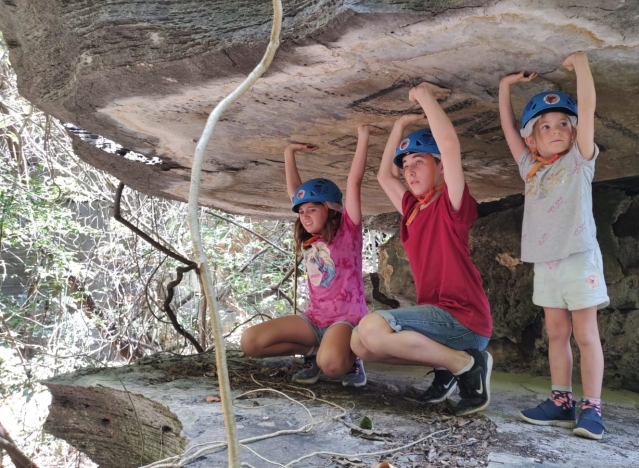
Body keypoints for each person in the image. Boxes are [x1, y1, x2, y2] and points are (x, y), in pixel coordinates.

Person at [351, 82, 493, 416]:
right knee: (360, 344)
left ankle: (466, 364)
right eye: (406, 165)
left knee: (372, 327)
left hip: (464, 318)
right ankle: (448, 366)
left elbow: (450, 146)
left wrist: (425, 97)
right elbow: (384, 176)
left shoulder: (451, 204)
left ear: (440, 166)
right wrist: (399, 125)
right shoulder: (413, 210)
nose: (409, 171)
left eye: (419, 161)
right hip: (437, 317)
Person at [498, 52, 609, 440]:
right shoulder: (528, 167)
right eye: (545, 126)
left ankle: (592, 408)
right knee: (556, 333)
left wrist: (581, 66)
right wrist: (504, 87)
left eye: (564, 123)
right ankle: (561, 401)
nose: (556, 129)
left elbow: (588, 110)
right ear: (532, 139)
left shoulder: (580, 160)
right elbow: (508, 129)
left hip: (578, 257)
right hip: (545, 263)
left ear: (575, 132)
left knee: (585, 334)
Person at [240, 126, 371, 388]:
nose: (305, 216)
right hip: (314, 319)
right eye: (301, 212)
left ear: (330, 209)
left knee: (331, 366)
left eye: (312, 210)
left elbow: (354, 182)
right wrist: (289, 153)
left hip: (345, 320)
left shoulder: (348, 230)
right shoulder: (310, 239)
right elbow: (295, 193)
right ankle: (313, 352)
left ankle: (352, 357)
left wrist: (363, 137)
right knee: (250, 342)